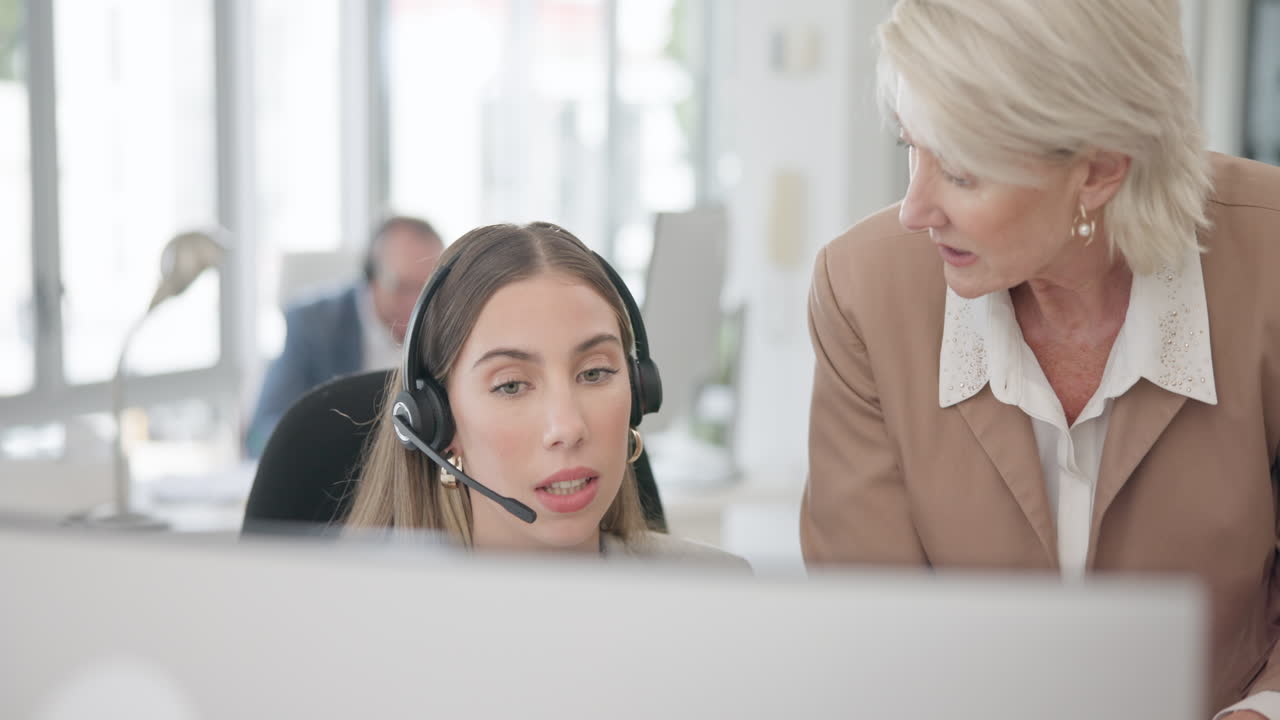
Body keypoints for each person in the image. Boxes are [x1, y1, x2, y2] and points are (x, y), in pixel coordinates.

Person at [799, 1, 1280, 717]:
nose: (914, 208)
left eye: (960, 171)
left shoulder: (1269, 263)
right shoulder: (862, 292)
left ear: (1099, 171)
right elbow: (869, 630)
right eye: (911, 144)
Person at [346, 221, 747, 567]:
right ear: (434, 421)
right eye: (511, 385)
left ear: (639, 391)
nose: (568, 427)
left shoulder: (718, 593)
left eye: (594, 373)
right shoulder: (365, 626)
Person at [246, 216, 443, 456]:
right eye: (401, 287)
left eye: (428, 288)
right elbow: (262, 431)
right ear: (370, 277)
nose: (416, 304)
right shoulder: (313, 324)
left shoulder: (448, 323)